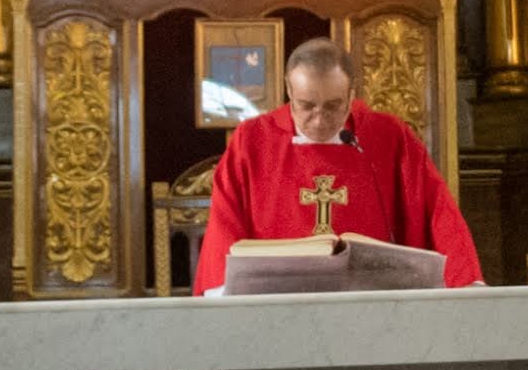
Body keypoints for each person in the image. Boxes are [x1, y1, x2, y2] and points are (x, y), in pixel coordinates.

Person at [191, 37, 482, 290]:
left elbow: (438, 211)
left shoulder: (388, 136)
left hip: (371, 302)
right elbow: (224, 224)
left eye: (333, 105)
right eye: (306, 105)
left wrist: (466, 281)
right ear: (290, 92)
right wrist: (221, 291)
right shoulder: (252, 141)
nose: (319, 118)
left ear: (351, 94)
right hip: (275, 304)